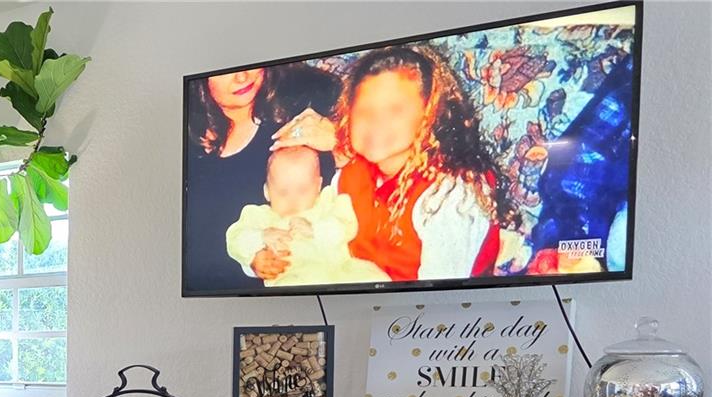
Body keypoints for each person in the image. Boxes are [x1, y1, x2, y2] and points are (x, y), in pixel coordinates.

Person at [268, 45, 512, 283]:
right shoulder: (348, 176)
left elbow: (441, 295)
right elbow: (314, 231)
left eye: (395, 109)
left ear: (431, 114)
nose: (376, 121)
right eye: (364, 110)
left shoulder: (450, 193)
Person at [183, 65, 339, 293]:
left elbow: (347, 206)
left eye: (248, 63)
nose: (242, 77)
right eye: (224, 70)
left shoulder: (297, 122)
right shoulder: (181, 141)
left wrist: (340, 142)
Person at [225, 145, 390, 288]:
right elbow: (235, 239)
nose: (293, 200)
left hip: (340, 269)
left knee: (374, 278)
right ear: (267, 191)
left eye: (303, 190)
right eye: (283, 192)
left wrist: (315, 230)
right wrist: (261, 237)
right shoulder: (260, 216)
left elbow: (346, 225)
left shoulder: (327, 202)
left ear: (318, 186)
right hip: (295, 276)